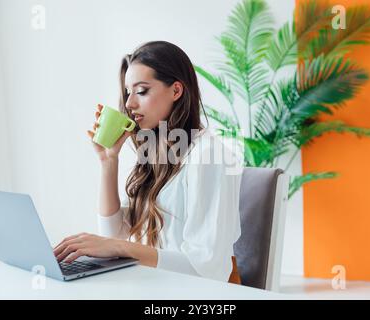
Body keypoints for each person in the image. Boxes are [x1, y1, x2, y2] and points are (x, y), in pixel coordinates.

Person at [53, 41, 242, 282]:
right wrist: (109, 161)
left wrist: (122, 249)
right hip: (151, 285)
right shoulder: (156, 152)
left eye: (141, 91)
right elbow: (113, 234)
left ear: (176, 91)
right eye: (128, 93)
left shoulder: (209, 156)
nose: (130, 104)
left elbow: (206, 269)